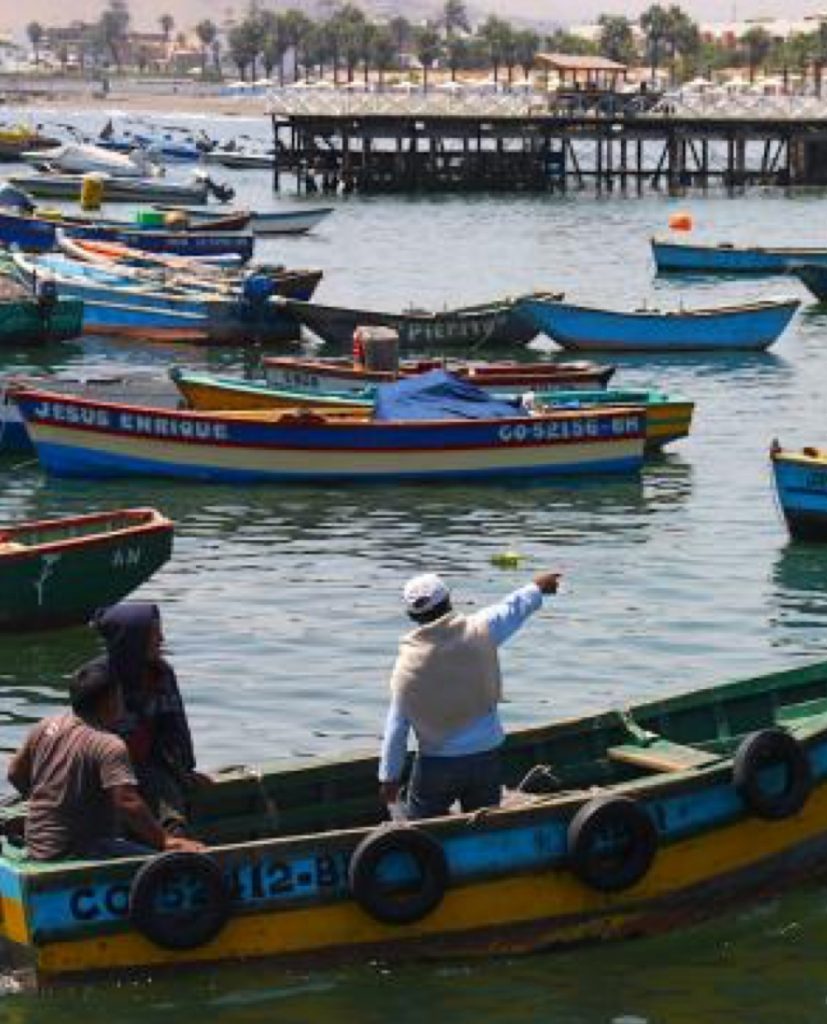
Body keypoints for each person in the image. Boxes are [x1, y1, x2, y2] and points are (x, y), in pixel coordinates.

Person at [378, 570, 561, 820]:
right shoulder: (480, 629)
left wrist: (389, 778)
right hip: (485, 754)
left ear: (412, 616)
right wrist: (538, 586)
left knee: (421, 825)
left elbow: (396, 729)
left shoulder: (406, 666)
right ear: (450, 601)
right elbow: (512, 608)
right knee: (485, 820)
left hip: (437, 762)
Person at [7, 661, 204, 861]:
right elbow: (126, 802)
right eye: (119, 695)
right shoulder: (108, 745)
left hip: (37, 846)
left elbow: (14, 773)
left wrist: (45, 801)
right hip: (78, 851)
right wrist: (165, 840)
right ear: (109, 702)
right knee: (172, 862)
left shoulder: (45, 726)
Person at [88, 602, 208, 836]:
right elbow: (85, 739)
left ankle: (173, 840)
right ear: (132, 639)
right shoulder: (97, 680)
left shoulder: (162, 675)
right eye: (154, 633)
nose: (161, 639)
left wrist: (186, 768)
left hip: (151, 768)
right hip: (104, 774)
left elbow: (176, 726)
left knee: (171, 815)